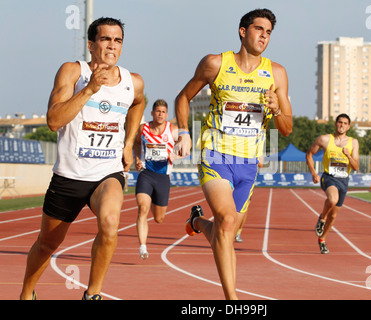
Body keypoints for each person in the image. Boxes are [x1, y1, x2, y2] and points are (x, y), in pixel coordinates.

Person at [20, 17, 145, 300]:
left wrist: (128, 143)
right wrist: (89, 90)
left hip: (107, 173)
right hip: (69, 175)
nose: (112, 45)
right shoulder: (72, 72)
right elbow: (53, 121)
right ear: (91, 44)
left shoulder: (132, 81)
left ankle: (93, 294)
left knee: (111, 222)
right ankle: (27, 293)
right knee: (47, 245)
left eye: (118, 40)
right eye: (105, 39)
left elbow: (139, 102)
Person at [174, 8, 292, 299]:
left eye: (268, 32)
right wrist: (184, 132)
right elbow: (183, 97)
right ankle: (233, 300)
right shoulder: (216, 63)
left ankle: (198, 222)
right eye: (258, 29)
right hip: (216, 156)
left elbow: (286, 128)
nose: (264, 36)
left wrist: (277, 108)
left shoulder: (276, 73)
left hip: (249, 164)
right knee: (227, 223)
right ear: (243, 31)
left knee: (225, 230)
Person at [306, 114, 359, 254]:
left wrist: (348, 156)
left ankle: (322, 239)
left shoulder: (353, 143)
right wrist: (313, 173)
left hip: (344, 180)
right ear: (336, 124)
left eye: (345, 123)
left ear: (348, 126)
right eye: (340, 122)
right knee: (332, 199)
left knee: (334, 216)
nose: (342, 125)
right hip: (329, 177)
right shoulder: (324, 139)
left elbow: (356, 167)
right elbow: (309, 154)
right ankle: (322, 218)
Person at [133, 99, 179, 259]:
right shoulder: (143, 129)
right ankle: (143, 247)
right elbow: (137, 143)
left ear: (167, 114)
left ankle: (154, 199)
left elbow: (186, 144)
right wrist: (137, 159)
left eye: (163, 112)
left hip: (163, 177)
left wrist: (175, 153)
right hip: (146, 174)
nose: (160, 114)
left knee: (159, 218)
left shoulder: (172, 130)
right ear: (152, 113)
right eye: (157, 111)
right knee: (142, 208)